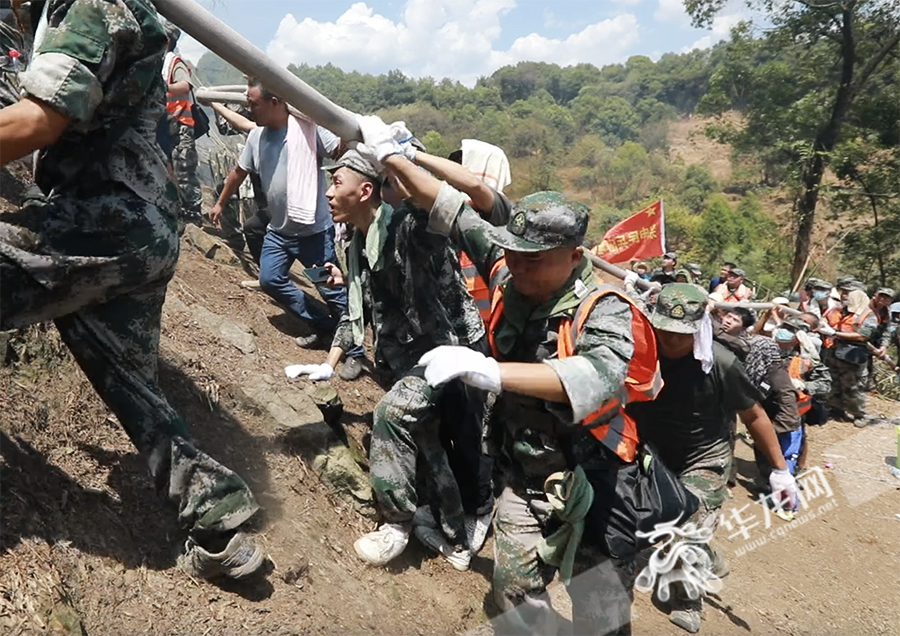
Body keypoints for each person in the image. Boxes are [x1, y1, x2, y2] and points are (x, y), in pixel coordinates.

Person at [0, 0, 263, 579]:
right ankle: (218, 517)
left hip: (106, 221)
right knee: (126, 379)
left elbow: (37, 121)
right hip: (144, 231)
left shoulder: (96, 5)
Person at [290, 148, 489, 571]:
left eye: (336, 183)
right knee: (429, 442)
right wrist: (330, 362)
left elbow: (440, 212)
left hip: (444, 352)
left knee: (393, 416)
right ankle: (454, 538)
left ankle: (398, 523)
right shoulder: (356, 241)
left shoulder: (402, 227)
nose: (327, 193)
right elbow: (357, 308)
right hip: (402, 355)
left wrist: (402, 158)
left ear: (365, 191)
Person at [626, 284, 798, 633]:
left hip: (705, 457)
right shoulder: (640, 350)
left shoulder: (720, 362)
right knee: (641, 521)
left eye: (682, 334)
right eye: (665, 330)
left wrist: (781, 470)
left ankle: (688, 599)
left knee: (689, 532)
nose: (671, 341)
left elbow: (755, 417)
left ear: (698, 327)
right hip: (653, 452)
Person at [211, 79, 365, 379]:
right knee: (270, 279)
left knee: (332, 292)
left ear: (276, 102)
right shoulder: (257, 138)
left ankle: (355, 351)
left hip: (314, 234)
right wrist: (219, 203)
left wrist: (348, 128)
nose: (249, 108)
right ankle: (324, 327)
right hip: (279, 233)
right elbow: (237, 173)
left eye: (253, 103)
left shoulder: (309, 130)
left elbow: (343, 152)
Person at [774, 316, 832, 474]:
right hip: (771, 409)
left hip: (795, 414)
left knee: (792, 447)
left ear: (798, 337)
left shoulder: (807, 361)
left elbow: (825, 385)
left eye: (789, 330)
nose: (782, 332)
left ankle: (791, 475)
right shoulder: (769, 351)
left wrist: (804, 385)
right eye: (783, 327)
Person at [161, 22, 202, 226]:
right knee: (164, 166)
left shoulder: (173, 61)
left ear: (167, 41)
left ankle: (193, 212)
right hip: (161, 124)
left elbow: (185, 85)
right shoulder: (156, 61)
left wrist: (163, 87)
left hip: (180, 124)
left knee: (183, 169)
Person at [825, 283, 878, 424]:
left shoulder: (868, 314)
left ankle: (859, 414)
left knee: (852, 387)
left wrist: (835, 333)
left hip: (853, 355)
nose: (845, 296)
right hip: (836, 352)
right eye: (843, 293)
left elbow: (863, 336)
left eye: (848, 294)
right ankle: (836, 409)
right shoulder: (842, 311)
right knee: (835, 382)